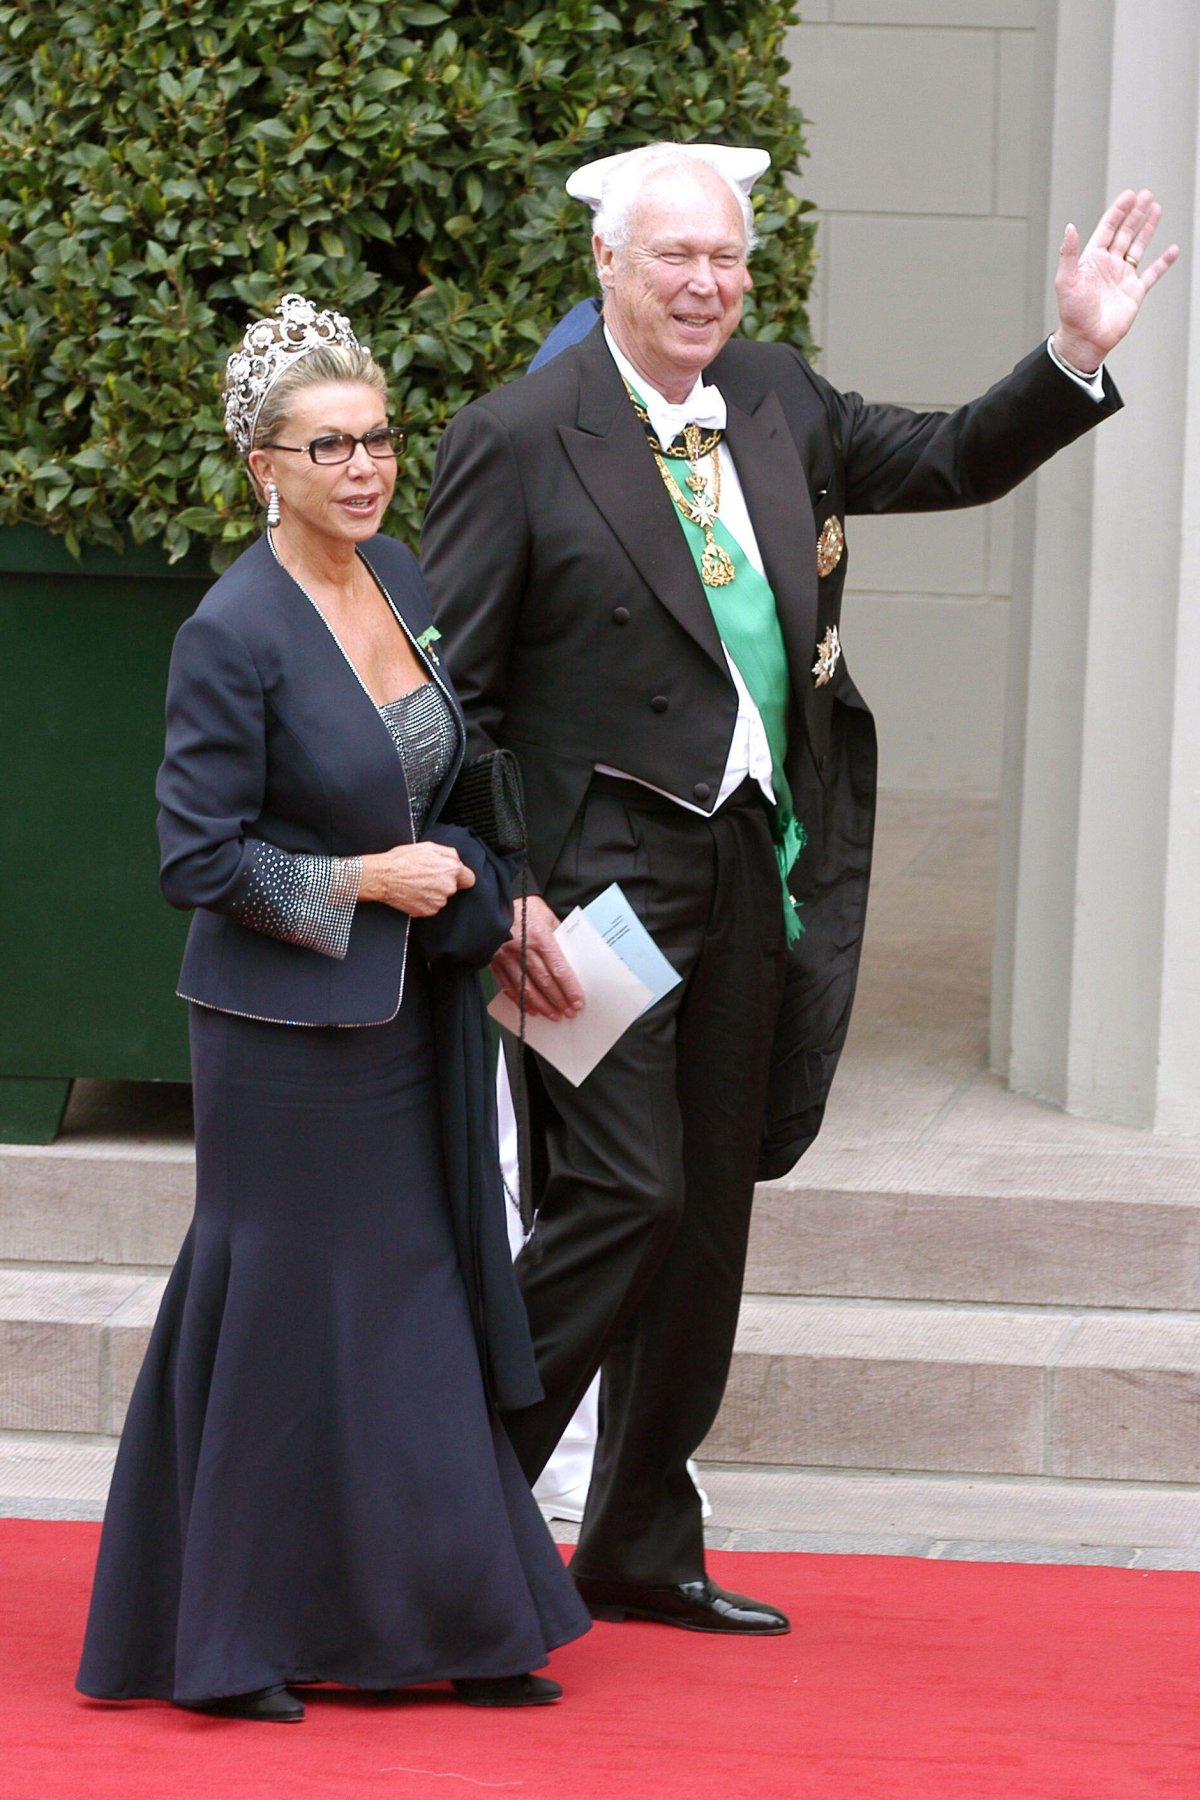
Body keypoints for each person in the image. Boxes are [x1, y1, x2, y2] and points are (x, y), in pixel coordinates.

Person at [420, 142, 1177, 1635]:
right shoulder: (518, 435)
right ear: (607, 266)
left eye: (726, 258)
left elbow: (951, 458)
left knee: (706, 1217)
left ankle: (639, 1538)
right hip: (586, 896)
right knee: (620, 1194)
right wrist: (502, 888)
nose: (705, 284)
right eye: (674, 257)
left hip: (746, 866)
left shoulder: (775, 396)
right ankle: (444, 1513)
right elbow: (458, 698)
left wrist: (1072, 355)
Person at [76, 294, 589, 1722]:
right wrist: (363, 880)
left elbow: (459, 765)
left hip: (412, 1014)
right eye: (328, 447)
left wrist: (504, 894)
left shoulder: (400, 575)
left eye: (376, 439)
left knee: (413, 1301)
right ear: (266, 467)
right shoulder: (229, 630)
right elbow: (195, 859)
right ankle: (232, 1638)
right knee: (292, 1319)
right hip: (283, 1044)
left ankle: (461, 1614)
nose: (363, 469)